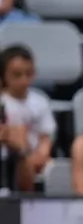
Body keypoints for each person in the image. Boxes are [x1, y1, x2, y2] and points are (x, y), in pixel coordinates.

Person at [0, 44, 56, 195]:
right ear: (3, 75)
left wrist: (40, 155)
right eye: (17, 75)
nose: (24, 80)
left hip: (32, 157)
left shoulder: (40, 101)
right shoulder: (2, 101)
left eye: (29, 74)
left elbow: (46, 138)